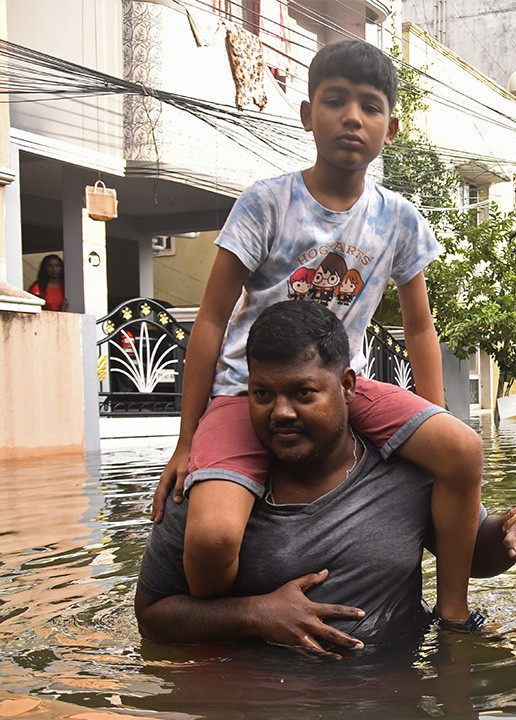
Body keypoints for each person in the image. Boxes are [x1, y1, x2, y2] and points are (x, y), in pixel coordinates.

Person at [150, 39, 483, 629]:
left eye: (370, 106)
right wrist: (185, 441)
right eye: (335, 101)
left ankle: (452, 611)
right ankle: (235, 619)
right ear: (308, 115)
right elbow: (209, 318)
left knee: (462, 450)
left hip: (340, 389)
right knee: (211, 536)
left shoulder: (399, 218)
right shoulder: (267, 202)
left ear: (391, 127)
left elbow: (420, 325)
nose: (352, 117)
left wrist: (434, 414)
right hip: (247, 390)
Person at [135, 301, 516, 657]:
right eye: (263, 394)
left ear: (346, 386)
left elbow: (473, 554)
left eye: (303, 393)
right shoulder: (210, 488)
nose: (281, 412)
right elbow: (153, 615)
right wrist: (254, 613)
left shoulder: (407, 469)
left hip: (397, 696)